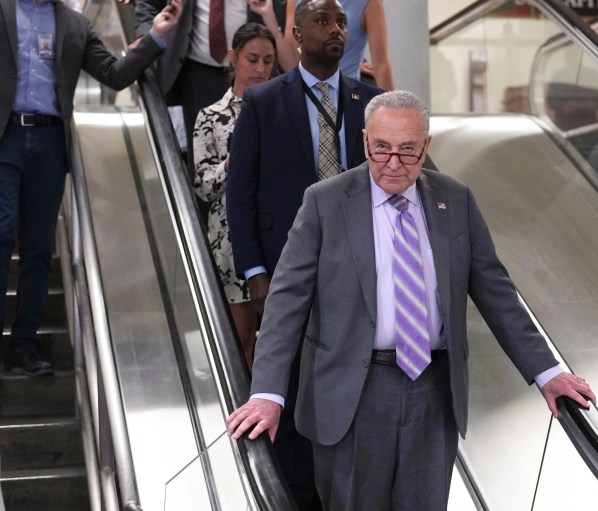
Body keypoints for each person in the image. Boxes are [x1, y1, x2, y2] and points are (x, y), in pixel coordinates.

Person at [226, 90, 596, 510]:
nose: (393, 163)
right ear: (365, 142)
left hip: (433, 393)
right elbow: (286, 301)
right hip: (351, 394)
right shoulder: (325, 201)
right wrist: (267, 393)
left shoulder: (455, 200)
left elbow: (495, 290)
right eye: (381, 149)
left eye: (408, 150)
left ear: (427, 146)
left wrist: (548, 372)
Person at [225, 0, 383, 507]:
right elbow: (239, 194)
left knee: (353, 388)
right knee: (288, 389)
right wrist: (254, 272)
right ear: (295, 34)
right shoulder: (266, 102)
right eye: (322, 21)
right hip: (285, 272)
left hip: (359, 273)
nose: (335, 30)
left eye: (341, 22)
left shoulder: (371, 102)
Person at [0, 0, 181, 376]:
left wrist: (156, 35)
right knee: (2, 231)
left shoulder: (75, 24)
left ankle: (24, 343)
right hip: (7, 136)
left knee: (37, 247)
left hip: (50, 143)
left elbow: (114, 74)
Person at [192, 23, 276, 367]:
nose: (259, 69)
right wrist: (231, 162)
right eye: (252, 59)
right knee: (240, 337)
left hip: (277, 230)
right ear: (234, 58)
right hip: (229, 239)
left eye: (268, 61)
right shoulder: (210, 117)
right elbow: (202, 186)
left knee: (278, 339)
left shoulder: (282, 110)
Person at [135, 0, 297, 165]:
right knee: (203, 158)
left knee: (255, 153)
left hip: (253, 74)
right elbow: (148, 3)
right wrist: (145, 36)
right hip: (198, 73)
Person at [287, 0, 394, 90]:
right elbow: (292, 52)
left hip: (348, 93)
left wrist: (393, 110)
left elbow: (380, 63)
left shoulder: (369, 3)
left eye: (342, 23)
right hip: (304, 87)